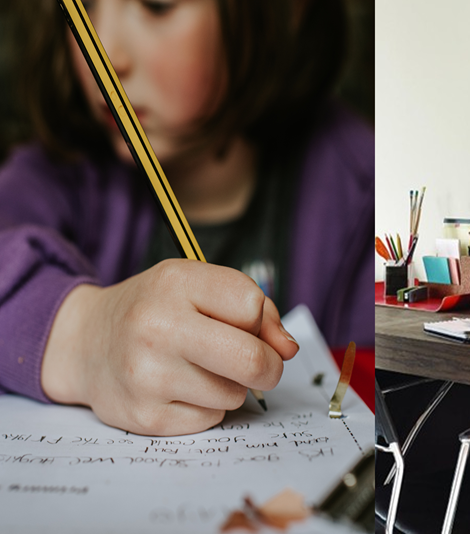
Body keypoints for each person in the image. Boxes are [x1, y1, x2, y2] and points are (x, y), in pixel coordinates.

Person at [0, 0, 374, 436]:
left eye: (157, 6)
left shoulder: (364, 189)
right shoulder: (52, 176)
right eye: (83, 8)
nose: (103, 55)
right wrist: (86, 339)